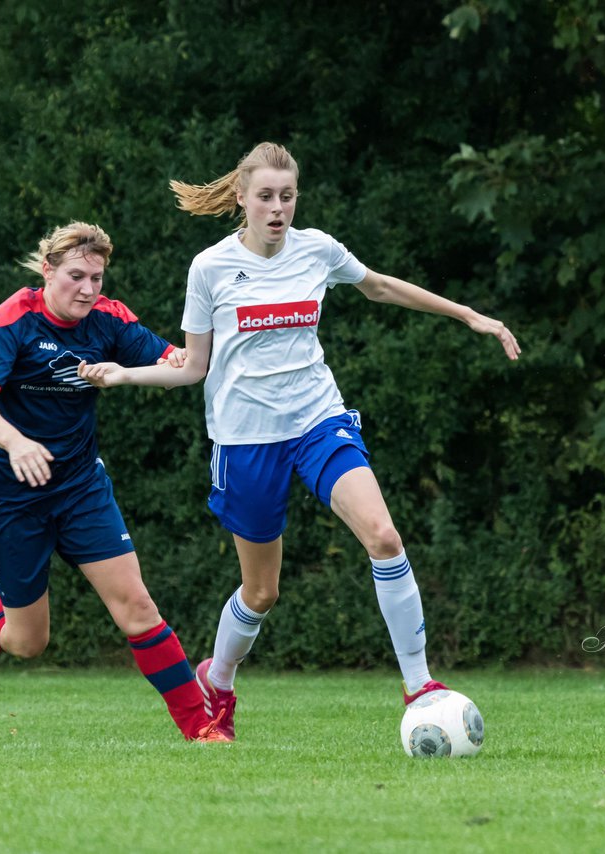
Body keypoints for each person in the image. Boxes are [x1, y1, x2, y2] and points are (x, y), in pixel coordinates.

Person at [77, 142, 520, 741]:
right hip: (244, 442)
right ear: (242, 198)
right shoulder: (210, 268)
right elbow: (192, 366)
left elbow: (381, 286)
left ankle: (420, 684)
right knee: (262, 591)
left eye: (287, 196)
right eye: (265, 196)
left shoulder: (319, 250)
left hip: (317, 421)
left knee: (384, 536)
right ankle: (220, 681)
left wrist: (470, 315)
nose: (278, 208)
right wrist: (125, 373)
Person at [0, 221, 228, 742]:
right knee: (27, 641)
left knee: (138, 607)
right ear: (47, 271)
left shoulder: (110, 320)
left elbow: (182, 364)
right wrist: (17, 443)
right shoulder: (13, 320)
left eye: (97, 277)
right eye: (76, 276)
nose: (88, 289)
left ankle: (202, 729)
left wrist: (183, 355)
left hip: (78, 487)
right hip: (5, 493)